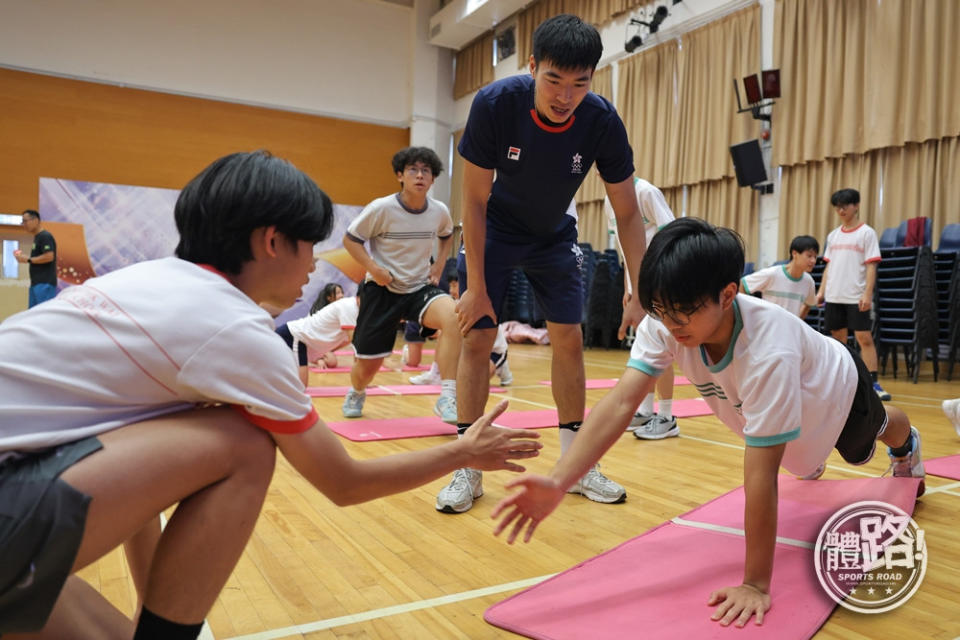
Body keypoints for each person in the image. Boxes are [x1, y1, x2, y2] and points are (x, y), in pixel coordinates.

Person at [0, 150, 542, 639]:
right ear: (272, 241)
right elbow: (343, 482)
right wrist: (464, 451)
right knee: (243, 444)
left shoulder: (149, 283)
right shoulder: (233, 330)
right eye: (308, 245)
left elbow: (135, 483)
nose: (313, 264)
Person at [490, 217, 925, 628]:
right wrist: (560, 479)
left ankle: (908, 447)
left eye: (683, 312)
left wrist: (755, 583)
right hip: (787, 401)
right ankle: (814, 455)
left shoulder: (767, 351)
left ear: (727, 293)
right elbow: (622, 401)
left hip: (836, 389)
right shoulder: (666, 321)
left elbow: (760, 473)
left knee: (871, 436)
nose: (671, 323)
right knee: (803, 465)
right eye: (661, 309)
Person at [439, 13, 647, 514]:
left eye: (579, 83)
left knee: (569, 337)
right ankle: (468, 467)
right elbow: (473, 200)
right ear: (532, 66)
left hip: (554, 234)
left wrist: (640, 290)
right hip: (495, 229)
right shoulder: (495, 104)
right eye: (553, 79)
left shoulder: (600, 120)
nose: (564, 95)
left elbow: (627, 209)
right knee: (478, 334)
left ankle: (575, 466)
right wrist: (478, 287)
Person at [342, 146, 461, 423]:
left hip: (419, 287)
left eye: (426, 171)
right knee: (367, 368)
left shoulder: (439, 211)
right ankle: (357, 390)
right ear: (400, 175)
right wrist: (374, 269)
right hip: (383, 290)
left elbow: (447, 234)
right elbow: (351, 240)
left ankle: (447, 396)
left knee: (454, 316)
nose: (420, 176)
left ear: (432, 179)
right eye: (413, 170)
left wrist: (440, 264)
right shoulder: (382, 208)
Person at [604, 178, 678, 439]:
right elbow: (627, 250)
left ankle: (667, 416)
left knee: (661, 347)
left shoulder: (646, 192)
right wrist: (630, 289)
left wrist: (659, 282)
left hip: (658, 282)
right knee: (644, 347)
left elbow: (671, 235)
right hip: (638, 287)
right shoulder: (608, 201)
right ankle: (646, 411)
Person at [816, 189, 889, 400]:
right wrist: (821, 291)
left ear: (856, 205)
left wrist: (868, 294)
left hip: (856, 296)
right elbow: (829, 267)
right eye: (837, 206)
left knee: (864, 337)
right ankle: (843, 380)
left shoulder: (867, 233)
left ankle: (873, 382)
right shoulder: (833, 235)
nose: (840, 210)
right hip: (834, 295)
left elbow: (871, 267)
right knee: (837, 340)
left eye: (845, 206)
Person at [276, 294, 360, 384]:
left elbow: (350, 341)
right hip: (295, 335)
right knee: (300, 386)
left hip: (308, 342)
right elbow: (357, 344)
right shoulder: (349, 307)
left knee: (331, 361)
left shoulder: (359, 311)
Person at [739, 235, 819, 319]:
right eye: (809, 256)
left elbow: (809, 304)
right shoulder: (772, 273)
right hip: (768, 328)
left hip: (789, 330)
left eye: (815, 257)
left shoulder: (809, 281)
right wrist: (746, 314)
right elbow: (742, 285)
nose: (813, 261)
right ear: (794, 253)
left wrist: (798, 322)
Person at [14, 208, 58, 307]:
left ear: (36, 220)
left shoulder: (45, 236)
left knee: (43, 315)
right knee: (33, 315)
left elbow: (49, 256)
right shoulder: (37, 237)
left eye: (26, 221)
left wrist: (29, 259)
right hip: (36, 283)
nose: (24, 224)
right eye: (23, 222)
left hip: (44, 283)